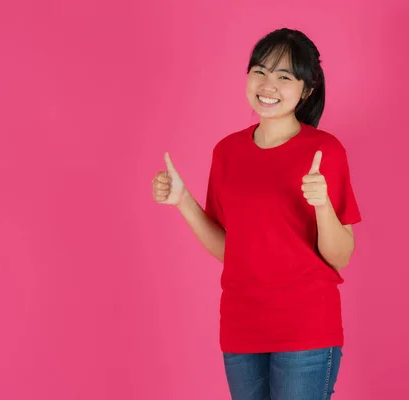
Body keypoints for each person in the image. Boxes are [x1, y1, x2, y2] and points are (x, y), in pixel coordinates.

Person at [151, 28, 361, 400]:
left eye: (284, 76)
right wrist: (183, 201)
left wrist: (323, 204)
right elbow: (230, 250)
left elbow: (341, 255)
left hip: (306, 327)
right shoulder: (227, 152)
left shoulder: (325, 150)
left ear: (306, 90)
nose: (268, 84)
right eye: (260, 71)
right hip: (241, 326)